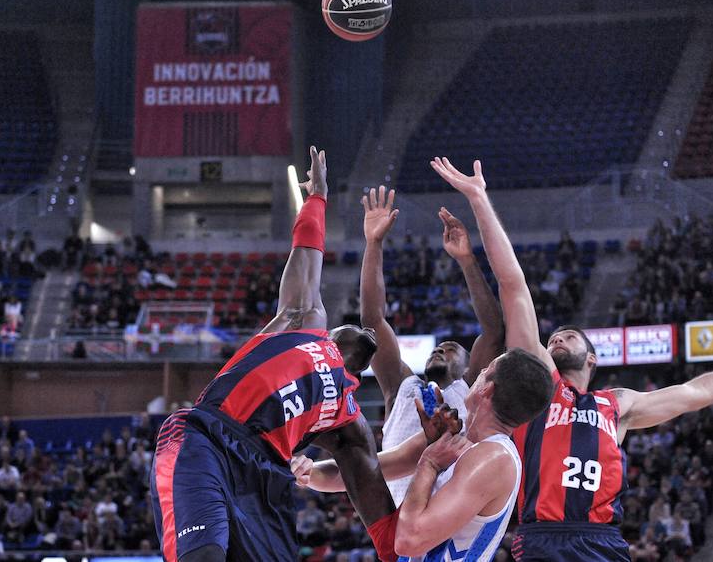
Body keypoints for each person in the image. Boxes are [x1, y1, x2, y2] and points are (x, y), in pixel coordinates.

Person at [429, 156, 713, 562]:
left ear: (592, 359)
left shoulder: (617, 405)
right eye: (554, 336)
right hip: (542, 537)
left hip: (603, 540)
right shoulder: (537, 386)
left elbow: (696, 392)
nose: (558, 336)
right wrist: (479, 199)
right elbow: (513, 285)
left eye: (570, 336)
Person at [150, 147, 398, 562]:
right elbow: (306, 258)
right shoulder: (304, 322)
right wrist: (317, 200)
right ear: (334, 332)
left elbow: (369, 484)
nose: (366, 330)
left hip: (267, 477)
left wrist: (398, 553)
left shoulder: (348, 418)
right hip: (208, 440)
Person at [292, 348, 553, 561]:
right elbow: (361, 471)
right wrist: (308, 473)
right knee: (352, 440)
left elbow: (408, 542)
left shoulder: (494, 458)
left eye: (486, 371)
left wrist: (429, 463)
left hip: (405, 548)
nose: (479, 372)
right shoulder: (456, 438)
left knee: (353, 430)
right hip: (398, 551)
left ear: (487, 389)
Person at [360, 185, 504, 504]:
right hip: (399, 522)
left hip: (451, 520)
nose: (440, 349)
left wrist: (467, 260)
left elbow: (494, 332)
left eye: (451, 347)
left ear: (470, 367)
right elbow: (372, 321)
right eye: (439, 348)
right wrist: (373, 243)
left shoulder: (469, 388)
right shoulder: (400, 387)